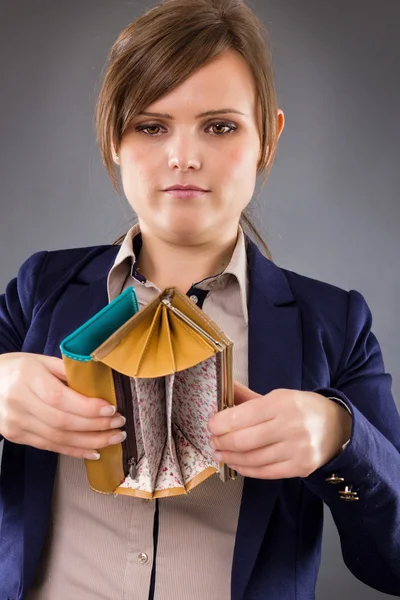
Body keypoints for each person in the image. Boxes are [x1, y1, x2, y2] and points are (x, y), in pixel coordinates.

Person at [0, 0, 399, 598]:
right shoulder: (39, 290)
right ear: (113, 137)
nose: (183, 156)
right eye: (150, 126)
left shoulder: (334, 326)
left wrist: (343, 439)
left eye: (220, 126)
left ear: (269, 138)